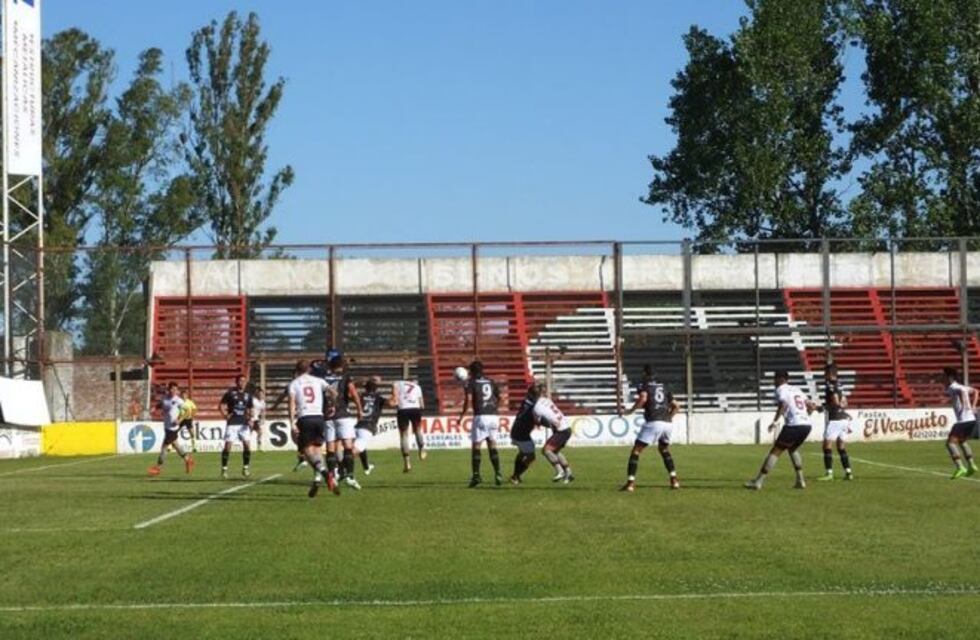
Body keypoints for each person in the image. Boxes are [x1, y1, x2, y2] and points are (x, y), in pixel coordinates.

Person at [744, 371, 816, 491]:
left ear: (779, 379)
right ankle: (800, 481)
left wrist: (775, 422)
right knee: (792, 449)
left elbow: (783, 404)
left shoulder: (780, 389)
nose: (774, 382)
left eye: (774, 379)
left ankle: (758, 482)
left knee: (775, 451)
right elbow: (812, 406)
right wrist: (805, 416)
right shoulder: (797, 390)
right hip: (806, 425)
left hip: (794, 425)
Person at [620, 366, 681, 492]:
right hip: (667, 423)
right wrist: (669, 418)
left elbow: (643, 398)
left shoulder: (644, 385)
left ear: (645, 374)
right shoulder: (664, 386)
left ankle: (630, 483)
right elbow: (677, 406)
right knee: (664, 449)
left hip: (654, 421)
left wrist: (630, 411)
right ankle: (674, 480)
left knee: (636, 451)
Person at [288, 360, 334, 497]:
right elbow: (333, 392)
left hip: (305, 418)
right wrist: (332, 405)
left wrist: (292, 422)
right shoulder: (318, 380)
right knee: (317, 449)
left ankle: (325, 473)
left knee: (306, 450)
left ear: (297, 370)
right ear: (309, 369)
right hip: (319, 418)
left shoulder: (294, 383)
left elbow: (291, 404)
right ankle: (317, 478)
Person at [320, 353, 364, 490]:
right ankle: (350, 476)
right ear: (341, 365)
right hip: (343, 415)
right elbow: (354, 393)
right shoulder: (345, 377)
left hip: (328, 416)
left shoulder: (323, 378)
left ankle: (333, 476)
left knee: (330, 448)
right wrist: (359, 410)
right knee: (347, 446)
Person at [458, 360, 504, 487]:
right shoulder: (491, 381)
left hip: (480, 416)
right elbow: (501, 399)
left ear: (471, 371)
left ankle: (476, 476)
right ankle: (498, 473)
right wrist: (494, 409)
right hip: (494, 416)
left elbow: (468, 401)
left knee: (476, 446)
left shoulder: (471, 383)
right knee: (492, 445)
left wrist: (461, 416)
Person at [148, 382, 194, 476]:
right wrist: (154, 408)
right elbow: (161, 404)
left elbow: (187, 411)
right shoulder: (165, 398)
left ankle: (158, 467)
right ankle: (188, 460)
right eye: (172, 389)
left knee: (164, 447)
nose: (174, 391)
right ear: (168, 390)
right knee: (175, 445)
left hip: (173, 427)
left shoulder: (179, 400)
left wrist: (179, 420)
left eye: (175, 389)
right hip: (167, 426)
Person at [943, 367, 979, 479]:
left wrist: (964, 403)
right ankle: (972, 465)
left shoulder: (954, 387)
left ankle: (960, 467)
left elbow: (961, 392)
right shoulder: (961, 386)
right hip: (971, 420)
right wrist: (972, 406)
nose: (942, 378)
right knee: (962, 441)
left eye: (943, 376)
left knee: (950, 443)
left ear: (949, 377)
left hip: (963, 421)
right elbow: (976, 391)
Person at [818, 363, 853, 481]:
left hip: (835, 419)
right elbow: (845, 402)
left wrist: (823, 407)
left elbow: (835, 401)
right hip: (844, 418)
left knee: (827, 445)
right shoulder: (840, 384)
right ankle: (848, 472)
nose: (824, 375)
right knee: (841, 446)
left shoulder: (829, 385)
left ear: (830, 373)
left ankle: (829, 473)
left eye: (825, 373)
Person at [218, 374, 255, 479]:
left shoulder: (248, 395)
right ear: (236, 382)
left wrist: (250, 418)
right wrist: (225, 415)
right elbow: (221, 405)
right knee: (228, 446)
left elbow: (250, 408)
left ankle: (245, 468)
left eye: (244, 381)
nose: (242, 383)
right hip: (232, 423)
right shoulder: (230, 393)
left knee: (247, 446)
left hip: (244, 423)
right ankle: (224, 469)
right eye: (240, 381)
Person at [536, 387, 575, 484]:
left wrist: (546, 422)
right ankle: (569, 474)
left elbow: (538, 420)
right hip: (566, 428)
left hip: (561, 430)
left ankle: (560, 471)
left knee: (546, 450)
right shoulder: (547, 400)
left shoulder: (537, 406)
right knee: (555, 451)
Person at [354, 377, 387, 476]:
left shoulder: (361, 396)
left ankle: (366, 467)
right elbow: (393, 403)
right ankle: (339, 469)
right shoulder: (378, 398)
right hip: (368, 426)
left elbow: (348, 394)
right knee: (355, 450)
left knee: (361, 446)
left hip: (358, 425)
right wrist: (395, 391)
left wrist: (356, 383)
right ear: (376, 388)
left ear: (365, 388)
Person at [509, 384, 541, 485]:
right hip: (521, 434)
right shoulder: (533, 406)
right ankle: (515, 476)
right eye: (537, 395)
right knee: (531, 457)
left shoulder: (526, 402)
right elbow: (537, 418)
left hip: (517, 431)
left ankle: (516, 475)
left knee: (522, 453)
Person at [394, 378, 426, 472]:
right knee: (417, 431)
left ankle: (407, 462)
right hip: (415, 409)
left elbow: (394, 396)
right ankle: (422, 449)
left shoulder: (398, 383)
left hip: (403, 410)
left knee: (404, 436)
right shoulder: (417, 387)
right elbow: (422, 405)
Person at [177, 388, 198, 453]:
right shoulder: (178, 402)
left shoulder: (190, 402)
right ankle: (170, 447)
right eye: (182, 395)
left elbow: (194, 409)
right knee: (174, 432)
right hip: (180, 418)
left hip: (188, 419)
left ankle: (194, 447)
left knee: (192, 433)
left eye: (185, 395)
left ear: (187, 395)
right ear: (181, 395)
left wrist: (192, 415)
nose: (184, 396)